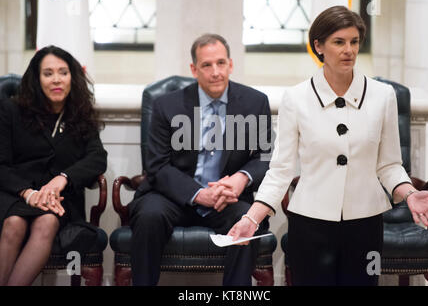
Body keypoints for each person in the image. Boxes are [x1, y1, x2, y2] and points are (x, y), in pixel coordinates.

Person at [226, 6, 428, 286]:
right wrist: (251, 218)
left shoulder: (383, 97)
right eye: (339, 42)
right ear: (318, 46)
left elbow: (389, 165)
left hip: (366, 224)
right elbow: (280, 170)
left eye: (354, 42)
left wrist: (410, 193)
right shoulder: (296, 98)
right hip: (310, 224)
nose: (349, 50)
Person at [128, 33, 272, 286]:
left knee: (246, 220)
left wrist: (241, 179)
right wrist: (198, 193)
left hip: (227, 198)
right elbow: (157, 166)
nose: (215, 72)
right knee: (149, 215)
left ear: (231, 64)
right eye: (207, 65)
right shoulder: (167, 105)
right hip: (171, 197)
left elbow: (264, 157)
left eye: (221, 63)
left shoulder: (255, 102)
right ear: (194, 69)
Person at [0, 45, 107, 286]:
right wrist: (28, 193)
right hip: (15, 195)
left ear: (73, 77)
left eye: (63, 72)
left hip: (60, 202)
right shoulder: (11, 110)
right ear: (37, 79)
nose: (56, 80)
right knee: (14, 222)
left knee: (47, 220)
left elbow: (97, 157)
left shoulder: (80, 114)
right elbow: (1, 165)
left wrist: (63, 178)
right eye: (48, 73)